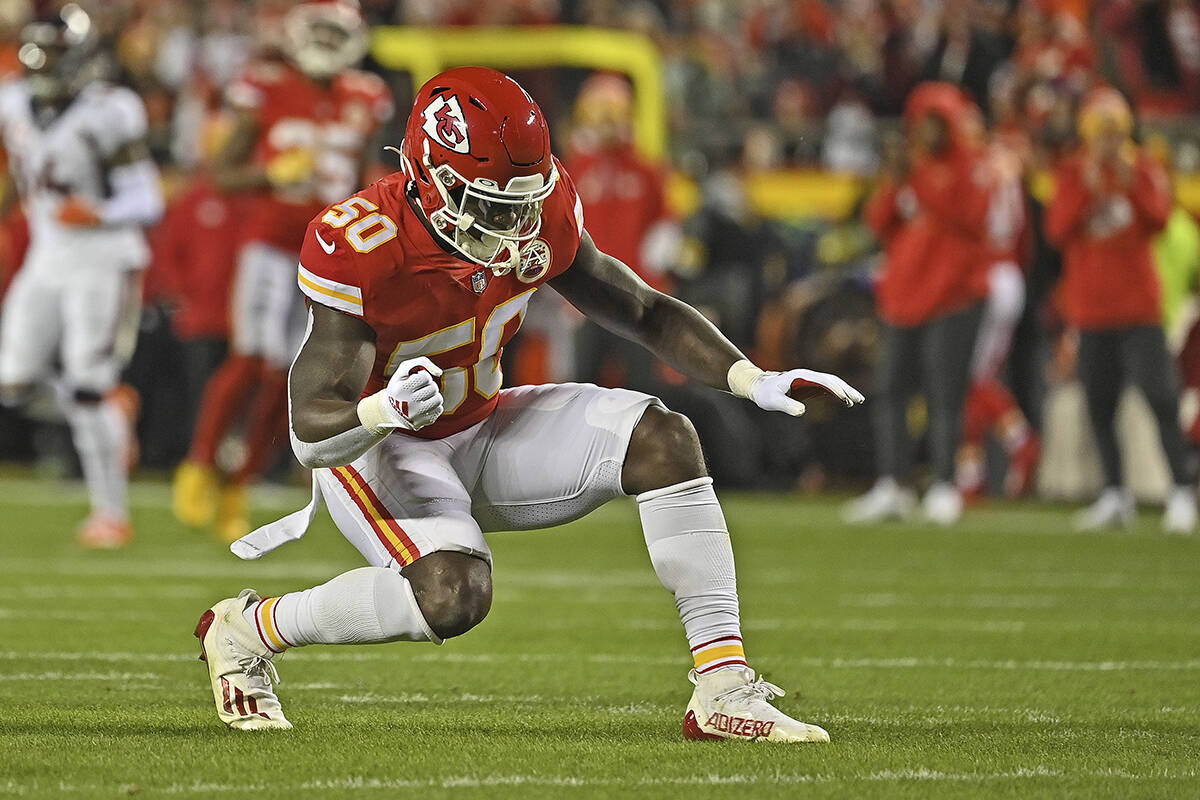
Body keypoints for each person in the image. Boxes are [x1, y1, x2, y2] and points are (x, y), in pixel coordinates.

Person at [193, 67, 865, 741]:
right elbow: (312, 431)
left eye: (522, 202)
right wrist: (380, 411)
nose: (514, 226)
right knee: (454, 596)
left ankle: (722, 691)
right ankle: (246, 630)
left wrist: (751, 377)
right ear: (429, 179)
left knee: (664, 440)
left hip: (480, 422)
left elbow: (642, 309)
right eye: (490, 206)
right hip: (377, 447)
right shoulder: (364, 244)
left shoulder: (533, 205)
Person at [172, 0, 392, 542]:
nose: (323, 40)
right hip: (270, 248)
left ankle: (241, 483)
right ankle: (200, 462)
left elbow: (365, 176)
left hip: (331, 256)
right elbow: (221, 175)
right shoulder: (265, 87)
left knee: (288, 375)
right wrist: (269, 173)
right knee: (251, 358)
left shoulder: (366, 97)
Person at [0, 5, 163, 548]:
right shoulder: (14, 100)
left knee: (87, 382)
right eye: (38, 52)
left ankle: (110, 514)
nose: (43, 64)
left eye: (54, 53)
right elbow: (24, 177)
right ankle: (110, 403)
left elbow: (147, 197)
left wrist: (100, 213)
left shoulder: (110, 110)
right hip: (47, 258)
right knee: (12, 379)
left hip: (103, 257)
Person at [1045, 86, 1196, 533]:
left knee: (1161, 400)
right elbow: (1057, 230)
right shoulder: (1074, 173)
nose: (1109, 141)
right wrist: (1087, 189)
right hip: (1092, 309)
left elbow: (1161, 219)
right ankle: (1115, 493)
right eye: (1101, 130)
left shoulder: (1144, 168)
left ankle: (1182, 493)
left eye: (1114, 132)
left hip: (1139, 309)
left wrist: (1129, 182)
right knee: (1100, 403)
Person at [846, 82, 990, 526]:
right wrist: (894, 179)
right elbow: (877, 222)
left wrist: (917, 176)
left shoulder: (969, 166)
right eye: (922, 123)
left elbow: (970, 217)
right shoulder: (909, 169)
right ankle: (893, 483)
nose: (926, 132)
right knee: (890, 389)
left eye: (935, 123)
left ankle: (946, 484)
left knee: (943, 393)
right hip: (904, 295)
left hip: (952, 296)